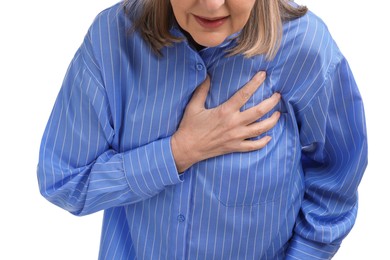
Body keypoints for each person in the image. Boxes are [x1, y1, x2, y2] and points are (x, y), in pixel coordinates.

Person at [37, 0, 368, 259]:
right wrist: (179, 152)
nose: (211, 5)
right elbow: (64, 181)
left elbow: (336, 185)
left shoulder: (306, 47)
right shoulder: (111, 39)